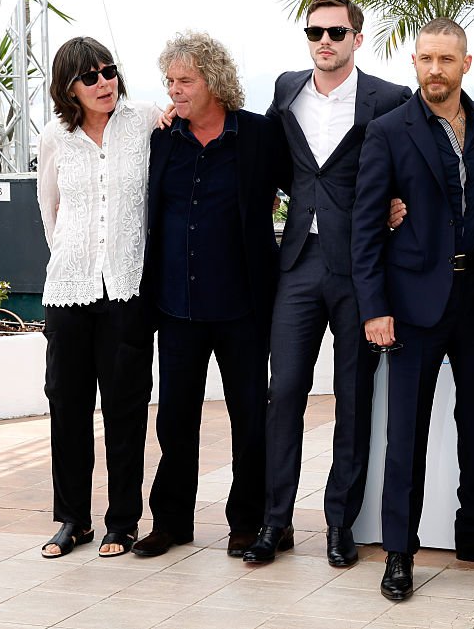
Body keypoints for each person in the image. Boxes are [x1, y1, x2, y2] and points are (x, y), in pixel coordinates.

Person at [244, 0, 411, 567]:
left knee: (353, 398)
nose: (324, 41)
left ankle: (340, 523)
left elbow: (410, 157)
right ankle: (275, 522)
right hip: (297, 261)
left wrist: (398, 200)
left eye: (336, 33)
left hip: (360, 265)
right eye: (315, 31)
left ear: (357, 40)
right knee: (284, 392)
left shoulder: (388, 98)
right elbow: (267, 153)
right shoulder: (285, 88)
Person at [352, 17, 474, 602]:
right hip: (413, 304)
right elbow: (367, 225)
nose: (434, 70)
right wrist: (374, 307)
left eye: (446, 59)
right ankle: (399, 550)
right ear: (415, 63)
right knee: (407, 436)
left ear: (465, 64)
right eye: (425, 59)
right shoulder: (389, 129)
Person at [131, 31, 288, 558]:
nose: (174, 91)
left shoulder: (261, 136)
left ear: (214, 82)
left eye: (185, 81)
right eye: (169, 82)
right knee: (175, 420)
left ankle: (248, 522)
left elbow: (308, 187)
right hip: (176, 307)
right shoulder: (162, 139)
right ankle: (171, 522)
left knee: (249, 419)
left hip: (243, 306)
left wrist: (385, 205)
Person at [37, 37, 164, 558]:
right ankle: (72, 520)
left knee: (125, 410)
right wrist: (76, 258)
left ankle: (122, 522)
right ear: (69, 87)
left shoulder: (147, 120)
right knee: (66, 407)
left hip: (128, 289)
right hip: (69, 288)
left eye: (109, 71)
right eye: (90, 77)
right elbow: (50, 211)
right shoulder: (54, 136)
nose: (104, 82)